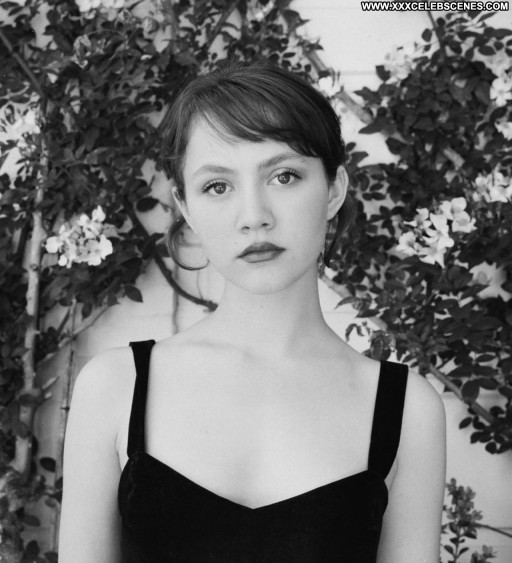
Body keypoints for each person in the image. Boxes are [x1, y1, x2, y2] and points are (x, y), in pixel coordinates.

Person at [59, 61, 446, 562]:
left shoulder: (408, 409)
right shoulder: (113, 387)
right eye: (217, 186)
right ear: (186, 207)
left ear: (334, 189)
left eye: (284, 176)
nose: (254, 216)